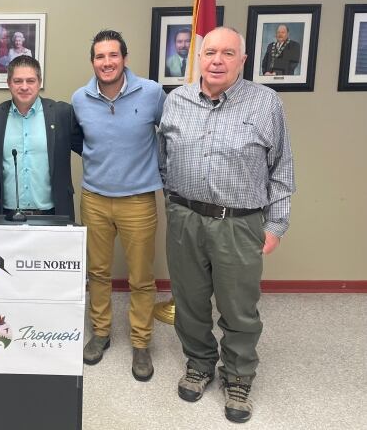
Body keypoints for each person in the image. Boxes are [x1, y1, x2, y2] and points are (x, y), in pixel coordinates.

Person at [159, 27, 295, 423]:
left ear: (243, 60)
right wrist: (174, 204)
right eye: (210, 52)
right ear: (199, 57)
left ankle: (238, 376)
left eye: (227, 53)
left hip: (239, 223)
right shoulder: (177, 100)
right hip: (185, 219)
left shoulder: (265, 103)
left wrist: (277, 224)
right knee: (189, 302)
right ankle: (199, 363)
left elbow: (282, 168)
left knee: (238, 308)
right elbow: (163, 157)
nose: (217, 60)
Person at [71, 30, 165, 382]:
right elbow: (79, 141)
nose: (106, 62)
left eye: (113, 55)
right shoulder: (80, 98)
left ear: (124, 58)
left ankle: (141, 342)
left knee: (141, 277)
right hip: (94, 198)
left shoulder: (153, 93)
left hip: (139, 199)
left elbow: (170, 137)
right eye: (99, 56)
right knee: (97, 272)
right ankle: (101, 332)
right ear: (92, 61)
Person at [0, 55, 81, 219]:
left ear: (39, 82)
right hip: (7, 214)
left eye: (30, 81)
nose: (24, 87)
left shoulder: (62, 114)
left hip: (53, 213)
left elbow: (90, 149)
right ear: (8, 83)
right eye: (17, 81)